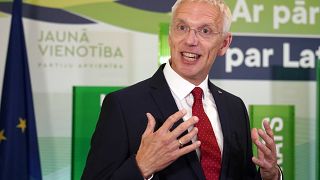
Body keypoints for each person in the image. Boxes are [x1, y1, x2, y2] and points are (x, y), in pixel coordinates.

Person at [82, 0, 282, 179]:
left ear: (224, 44)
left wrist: (270, 175)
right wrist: (142, 167)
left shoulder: (234, 107)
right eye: (182, 27)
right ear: (170, 36)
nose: (190, 40)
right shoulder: (124, 105)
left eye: (205, 31)